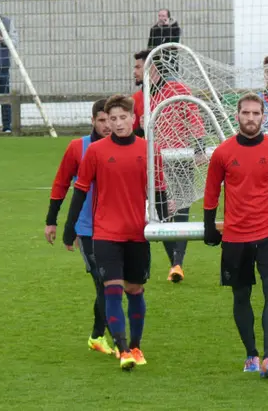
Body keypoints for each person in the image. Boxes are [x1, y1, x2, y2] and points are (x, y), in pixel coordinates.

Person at [62, 94, 165, 371]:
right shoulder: (95, 152)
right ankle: (122, 349)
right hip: (105, 233)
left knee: (135, 289)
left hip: (138, 234)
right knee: (112, 290)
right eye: (112, 119)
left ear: (134, 119)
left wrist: (164, 223)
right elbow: (80, 191)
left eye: (122, 118)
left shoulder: (149, 149)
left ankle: (136, 346)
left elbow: (160, 192)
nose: (117, 124)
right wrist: (69, 229)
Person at [203, 93, 268, 378]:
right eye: (246, 113)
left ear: (263, 117)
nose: (251, 118)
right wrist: (209, 227)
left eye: (256, 113)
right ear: (237, 116)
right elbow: (210, 192)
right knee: (241, 295)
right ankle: (251, 355)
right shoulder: (222, 152)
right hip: (235, 236)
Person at [44, 99, 115, 356]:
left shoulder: (127, 146)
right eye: (102, 120)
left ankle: (98, 335)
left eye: (111, 119)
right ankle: (113, 339)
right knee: (105, 284)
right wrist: (52, 221)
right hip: (87, 230)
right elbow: (61, 183)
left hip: (119, 229)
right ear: (93, 121)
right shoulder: (78, 148)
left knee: (119, 285)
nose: (108, 125)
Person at [132, 49, 205, 282]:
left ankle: (177, 263)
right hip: (152, 165)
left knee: (181, 209)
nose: (133, 71)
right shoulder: (137, 99)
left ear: (151, 69)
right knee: (161, 216)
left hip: (180, 161)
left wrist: (200, 147)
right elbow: (133, 134)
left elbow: (194, 117)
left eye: (137, 67)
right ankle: (174, 262)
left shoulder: (179, 91)